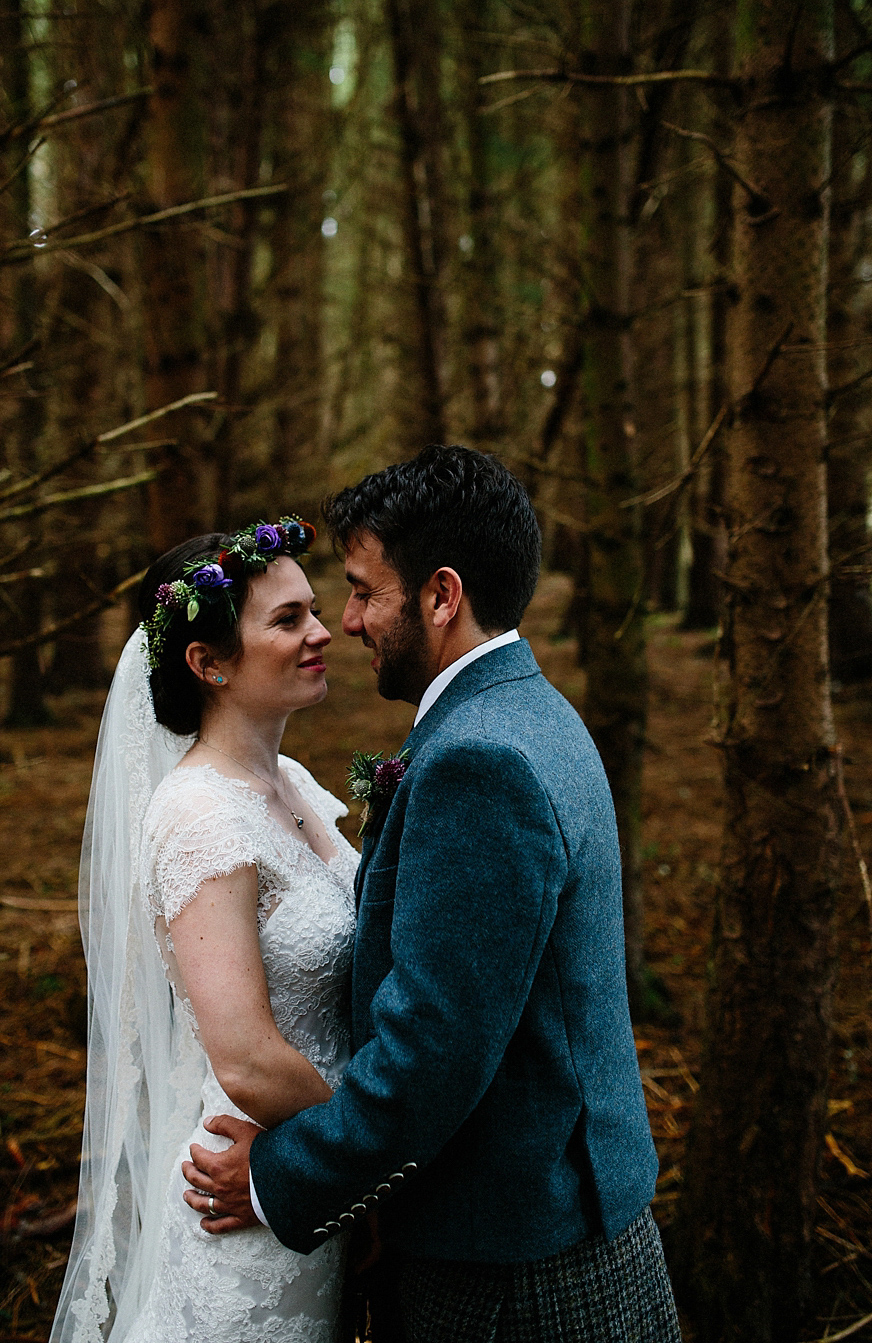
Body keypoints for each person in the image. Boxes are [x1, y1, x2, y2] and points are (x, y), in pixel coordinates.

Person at [182, 447, 681, 1342]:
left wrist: (281, 1175)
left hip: (517, 1274)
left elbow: (431, 1057)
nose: (349, 619)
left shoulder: (477, 762)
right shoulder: (533, 712)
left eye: (366, 590)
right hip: (565, 1225)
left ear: (441, 595)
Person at [49, 519, 361, 1343]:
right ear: (209, 662)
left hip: (314, 1179)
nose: (322, 631)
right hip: (254, 1209)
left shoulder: (290, 781)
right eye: (288, 620)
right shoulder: (198, 818)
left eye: (315, 610)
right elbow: (248, 1059)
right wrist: (379, 1144)